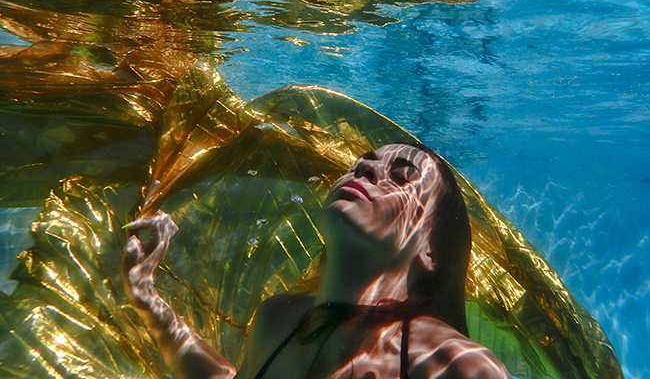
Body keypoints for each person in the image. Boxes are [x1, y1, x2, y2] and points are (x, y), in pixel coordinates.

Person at [123, 144, 511, 379]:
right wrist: (147, 298)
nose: (366, 169)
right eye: (362, 162)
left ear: (430, 252)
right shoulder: (277, 321)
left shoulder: (454, 365)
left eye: (402, 175)